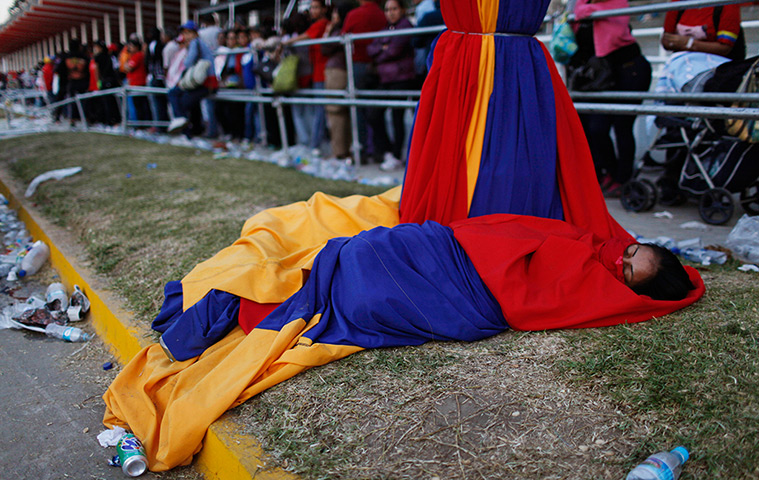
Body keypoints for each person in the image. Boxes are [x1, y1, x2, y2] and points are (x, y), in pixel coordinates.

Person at [571, 0, 652, 197]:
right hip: (604, 75)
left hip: (629, 68)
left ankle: (623, 178)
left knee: (623, 126)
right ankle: (608, 171)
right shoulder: (581, 5)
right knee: (596, 128)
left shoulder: (615, 3)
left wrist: (587, 12)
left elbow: (612, 37)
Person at [366, 0, 417, 170]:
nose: (391, 12)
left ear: (401, 10)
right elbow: (370, 50)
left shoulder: (406, 26)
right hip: (385, 79)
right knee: (373, 114)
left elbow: (394, 50)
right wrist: (384, 48)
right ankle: (388, 151)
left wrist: (382, 48)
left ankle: (397, 155)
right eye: (387, 10)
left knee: (397, 117)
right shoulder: (386, 29)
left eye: (394, 9)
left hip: (402, 78)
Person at [341, 0, 387, 159]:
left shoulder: (354, 15)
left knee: (358, 108)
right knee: (376, 110)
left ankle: (361, 149)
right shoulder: (382, 14)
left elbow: (343, 37)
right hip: (379, 65)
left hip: (359, 65)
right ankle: (379, 149)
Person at [284, 0, 331, 154]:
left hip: (320, 72)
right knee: (316, 110)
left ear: (323, 9)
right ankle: (315, 142)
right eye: (311, 8)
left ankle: (315, 144)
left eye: (316, 7)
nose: (313, 10)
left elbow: (306, 36)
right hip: (317, 72)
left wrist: (284, 43)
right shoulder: (319, 24)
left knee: (318, 110)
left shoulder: (321, 23)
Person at [167, 21, 218, 137]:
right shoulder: (199, 43)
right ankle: (193, 129)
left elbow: (188, 62)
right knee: (189, 103)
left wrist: (186, 53)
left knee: (182, 100)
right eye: (184, 33)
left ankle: (185, 127)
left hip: (205, 83)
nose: (186, 35)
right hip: (203, 82)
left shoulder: (195, 43)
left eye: (188, 32)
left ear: (195, 33)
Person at [322, 2, 355, 159]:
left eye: (335, 13)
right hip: (342, 70)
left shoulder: (338, 31)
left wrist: (328, 30)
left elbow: (325, 48)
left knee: (335, 111)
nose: (333, 16)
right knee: (342, 112)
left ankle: (339, 152)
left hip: (337, 72)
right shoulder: (343, 30)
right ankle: (343, 150)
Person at [146, 27, 170, 132]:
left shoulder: (152, 46)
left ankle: (160, 125)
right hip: (159, 77)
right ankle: (162, 125)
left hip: (156, 77)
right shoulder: (160, 45)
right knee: (161, 103)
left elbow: (149, 61)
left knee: (157, 104)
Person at [124, 38, 152, 125]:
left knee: (140, 106)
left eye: (131, 46)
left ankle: (142, 125)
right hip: (134, 84)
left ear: (136, 47)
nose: (129, 48)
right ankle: (141, 124)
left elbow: (128, 67)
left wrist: (126, 65)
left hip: (139, 83)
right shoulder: (133, 56)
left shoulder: (138, 55)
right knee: (138, 105)